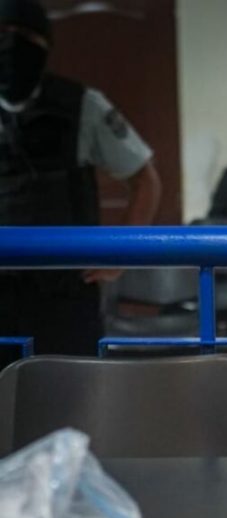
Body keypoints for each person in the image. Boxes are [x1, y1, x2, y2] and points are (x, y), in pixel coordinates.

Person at [0, 0, 161, 360]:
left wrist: (123, 252)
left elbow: (145, 179)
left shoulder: (83, 104)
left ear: (44, 43)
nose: (10, 44)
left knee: (72, 389)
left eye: (22, 35)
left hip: (65, 293)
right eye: (2, 34)